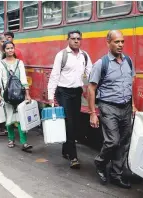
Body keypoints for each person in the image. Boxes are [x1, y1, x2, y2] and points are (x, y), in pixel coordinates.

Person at [88, 30, 137, 189]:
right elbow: (91, 89)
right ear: (108, 43)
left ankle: (116, 175)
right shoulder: (101, 64)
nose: (120, 45)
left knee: (123, 143)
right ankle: (100, 162)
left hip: (126, 107)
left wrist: (133, 104)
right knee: (112, 141)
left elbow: (131, 84)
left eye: (122, 41)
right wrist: (93, 113)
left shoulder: (128, 61)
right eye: (117, 42)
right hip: (108, 106)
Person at [47, 30, 93, 169]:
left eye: (78, 38)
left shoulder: (84, 55)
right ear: (68, 40)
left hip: (76, 92)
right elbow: (54, 76)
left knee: (76, 122)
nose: (76, 41)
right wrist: (51, 97)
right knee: (69, 122)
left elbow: (90, 72)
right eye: (73, 38)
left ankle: (65, 149)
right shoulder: (61, 55)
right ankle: (73, 157)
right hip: (63, 92)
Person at [0, 41, 33, 152]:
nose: (10, 50)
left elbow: (24, 79)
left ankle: (24, 142)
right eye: (8, 48)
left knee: (20, 118)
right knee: (9, 117)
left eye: (12, 48)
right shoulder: (1, 63)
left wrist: (27, 95)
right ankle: (11, 139)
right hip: (6, 95)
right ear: (4, 50)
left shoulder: (19, 63)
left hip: (19, 94)